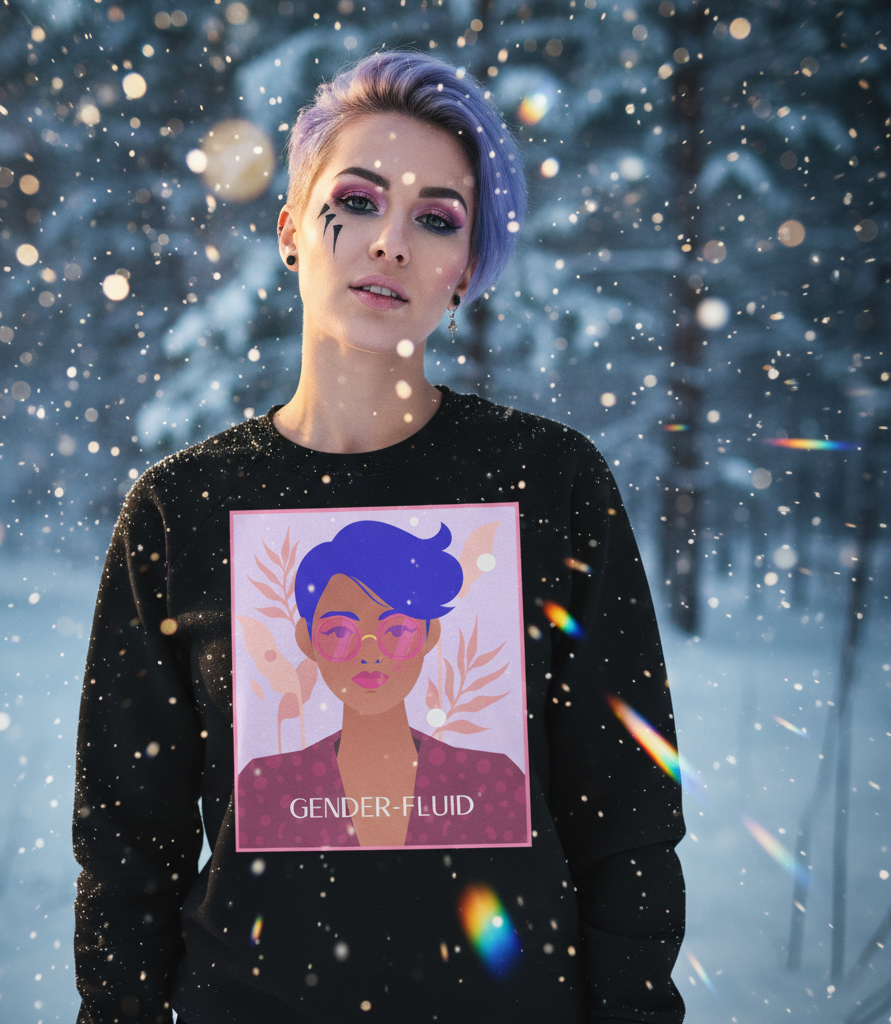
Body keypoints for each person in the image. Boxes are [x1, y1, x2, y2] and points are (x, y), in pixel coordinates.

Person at [74, 50, 686, 1024]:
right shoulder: (180, 511)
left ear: (463, 275)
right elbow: (124, 851)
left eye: (436, 219)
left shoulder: (551, 486)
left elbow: (628, 817)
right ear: (289, 230)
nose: (389, 241)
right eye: (356, 201)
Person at [235, 519, 527, 850]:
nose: (370, 655)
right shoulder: (265, 788)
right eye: (340, 632)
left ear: (431, 635)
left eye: (399, 631)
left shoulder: (495, 782)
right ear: (307, 640)